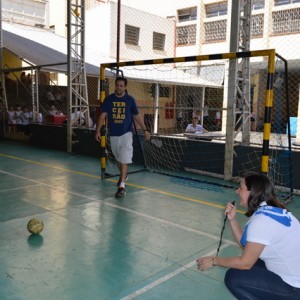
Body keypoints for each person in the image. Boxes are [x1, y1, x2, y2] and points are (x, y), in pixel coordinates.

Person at [197, 172, 300, 299]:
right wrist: (232, 220)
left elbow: (245, 263)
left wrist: (214, 261)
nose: (237, 191)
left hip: (294, 288)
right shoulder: (272, 210)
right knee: (251, 261)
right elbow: (247, 248)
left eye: (241, 187)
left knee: (234, 277)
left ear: (253, 193)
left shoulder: (262, 221)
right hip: (293, 277)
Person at [95, 76, 151, 198]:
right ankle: (123, 176)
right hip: (113, 134)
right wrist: (98, 130)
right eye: (117, 85)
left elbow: (137, 116)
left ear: (125, 87)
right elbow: (102, 116)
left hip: (127, 134)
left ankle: (122, 186)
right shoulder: (108, 100)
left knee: (124, 159)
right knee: (119, 160)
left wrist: (145, 129)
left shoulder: (130, 100)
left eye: (121, 86)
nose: (119, 88)